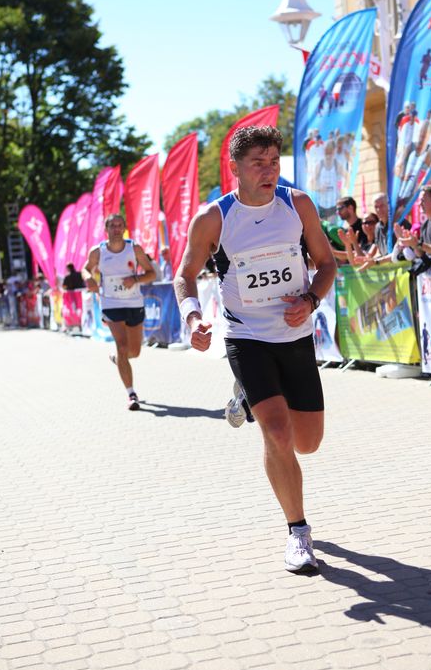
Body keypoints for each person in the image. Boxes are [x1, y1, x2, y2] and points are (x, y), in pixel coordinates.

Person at [174, 126, 336, 574]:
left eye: (274, 162)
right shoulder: (214, 218)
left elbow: (327, 264)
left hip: (294, 336)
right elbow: (184, 275)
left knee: (308, 443)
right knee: (278, 434)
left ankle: (246, 397)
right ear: (235, 168)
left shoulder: (297, 205)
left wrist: (311, 300)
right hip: (246, 337)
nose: (269, 171)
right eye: (258, 163)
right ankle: (298, 533)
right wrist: (193, 318)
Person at [82, 213, 156, 410]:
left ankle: (119, 360)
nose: (116, 229)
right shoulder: (98, 251)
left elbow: (152, 273)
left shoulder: (134, 248)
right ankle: (131, 394)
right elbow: (86, 269)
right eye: (112, 226)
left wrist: (136, 279)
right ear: (106, 229)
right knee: (122, 346)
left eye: (119, 225)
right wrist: (88, 278)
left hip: (134, 303)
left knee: (134, 352)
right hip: (110, 303)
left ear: (124, 228)